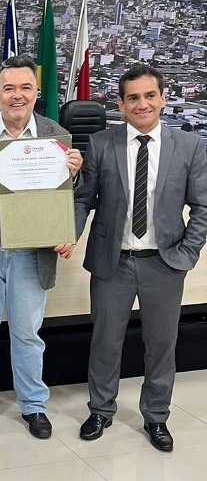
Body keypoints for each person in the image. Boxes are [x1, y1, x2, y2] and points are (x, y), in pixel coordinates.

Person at [0, 55, 82, 440]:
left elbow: (72, 197)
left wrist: (74, 174)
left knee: (27, 333)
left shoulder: (56, 136)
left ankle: (33, 405)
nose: (17, 95)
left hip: (32, 253)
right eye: (9, 88)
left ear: (36, 92)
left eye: (25, 87)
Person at [75, 64, 207, 452]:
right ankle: (100, 409)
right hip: (112, 263)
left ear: (163, 99)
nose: (142, 104)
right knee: (105, 341)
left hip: (164, 264)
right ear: (121, 103)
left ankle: (156, 417)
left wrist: (187, 251)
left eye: (150, 95)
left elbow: (202, 206)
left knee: (162, 344)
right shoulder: (101, 143)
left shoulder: (189, 146)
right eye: (133, 97)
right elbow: (85, 198)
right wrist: (69, 233)